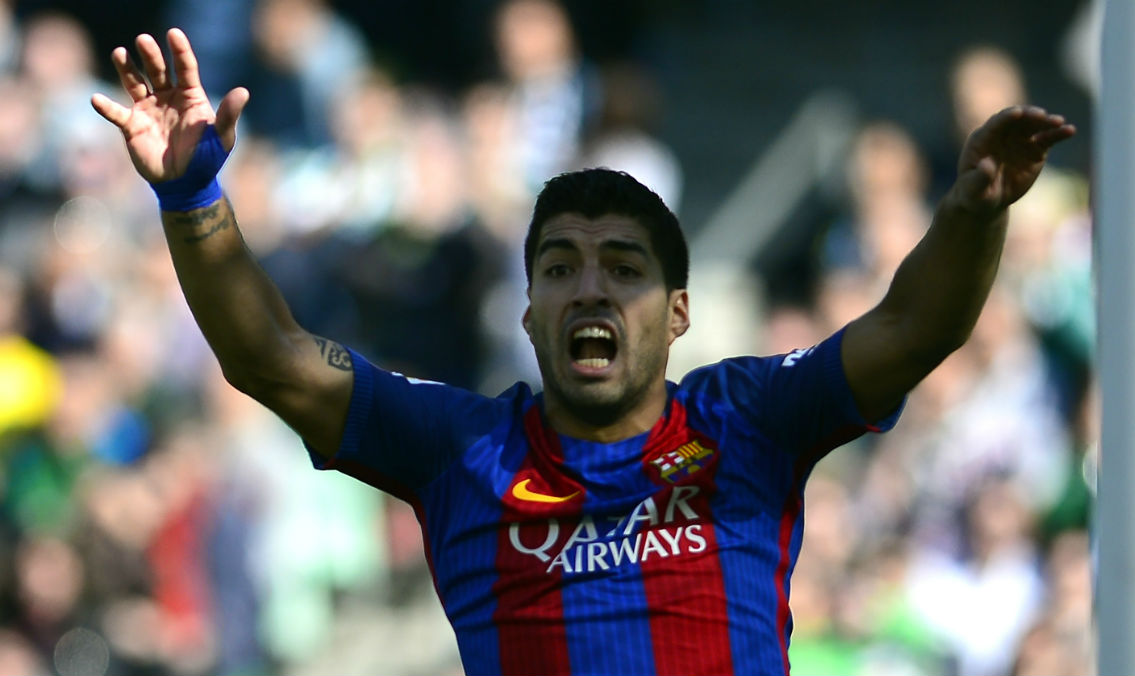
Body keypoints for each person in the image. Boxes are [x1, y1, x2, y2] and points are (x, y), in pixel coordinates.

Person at [90, 28, 1074, 676]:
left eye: (623, 267)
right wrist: (191, 198)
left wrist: (972, 210)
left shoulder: (748, 421)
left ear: (679, 312)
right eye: (559, 266)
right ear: (527, 314)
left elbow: (915, 328)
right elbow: (272, 359)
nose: (591, 285)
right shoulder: (460, 449)